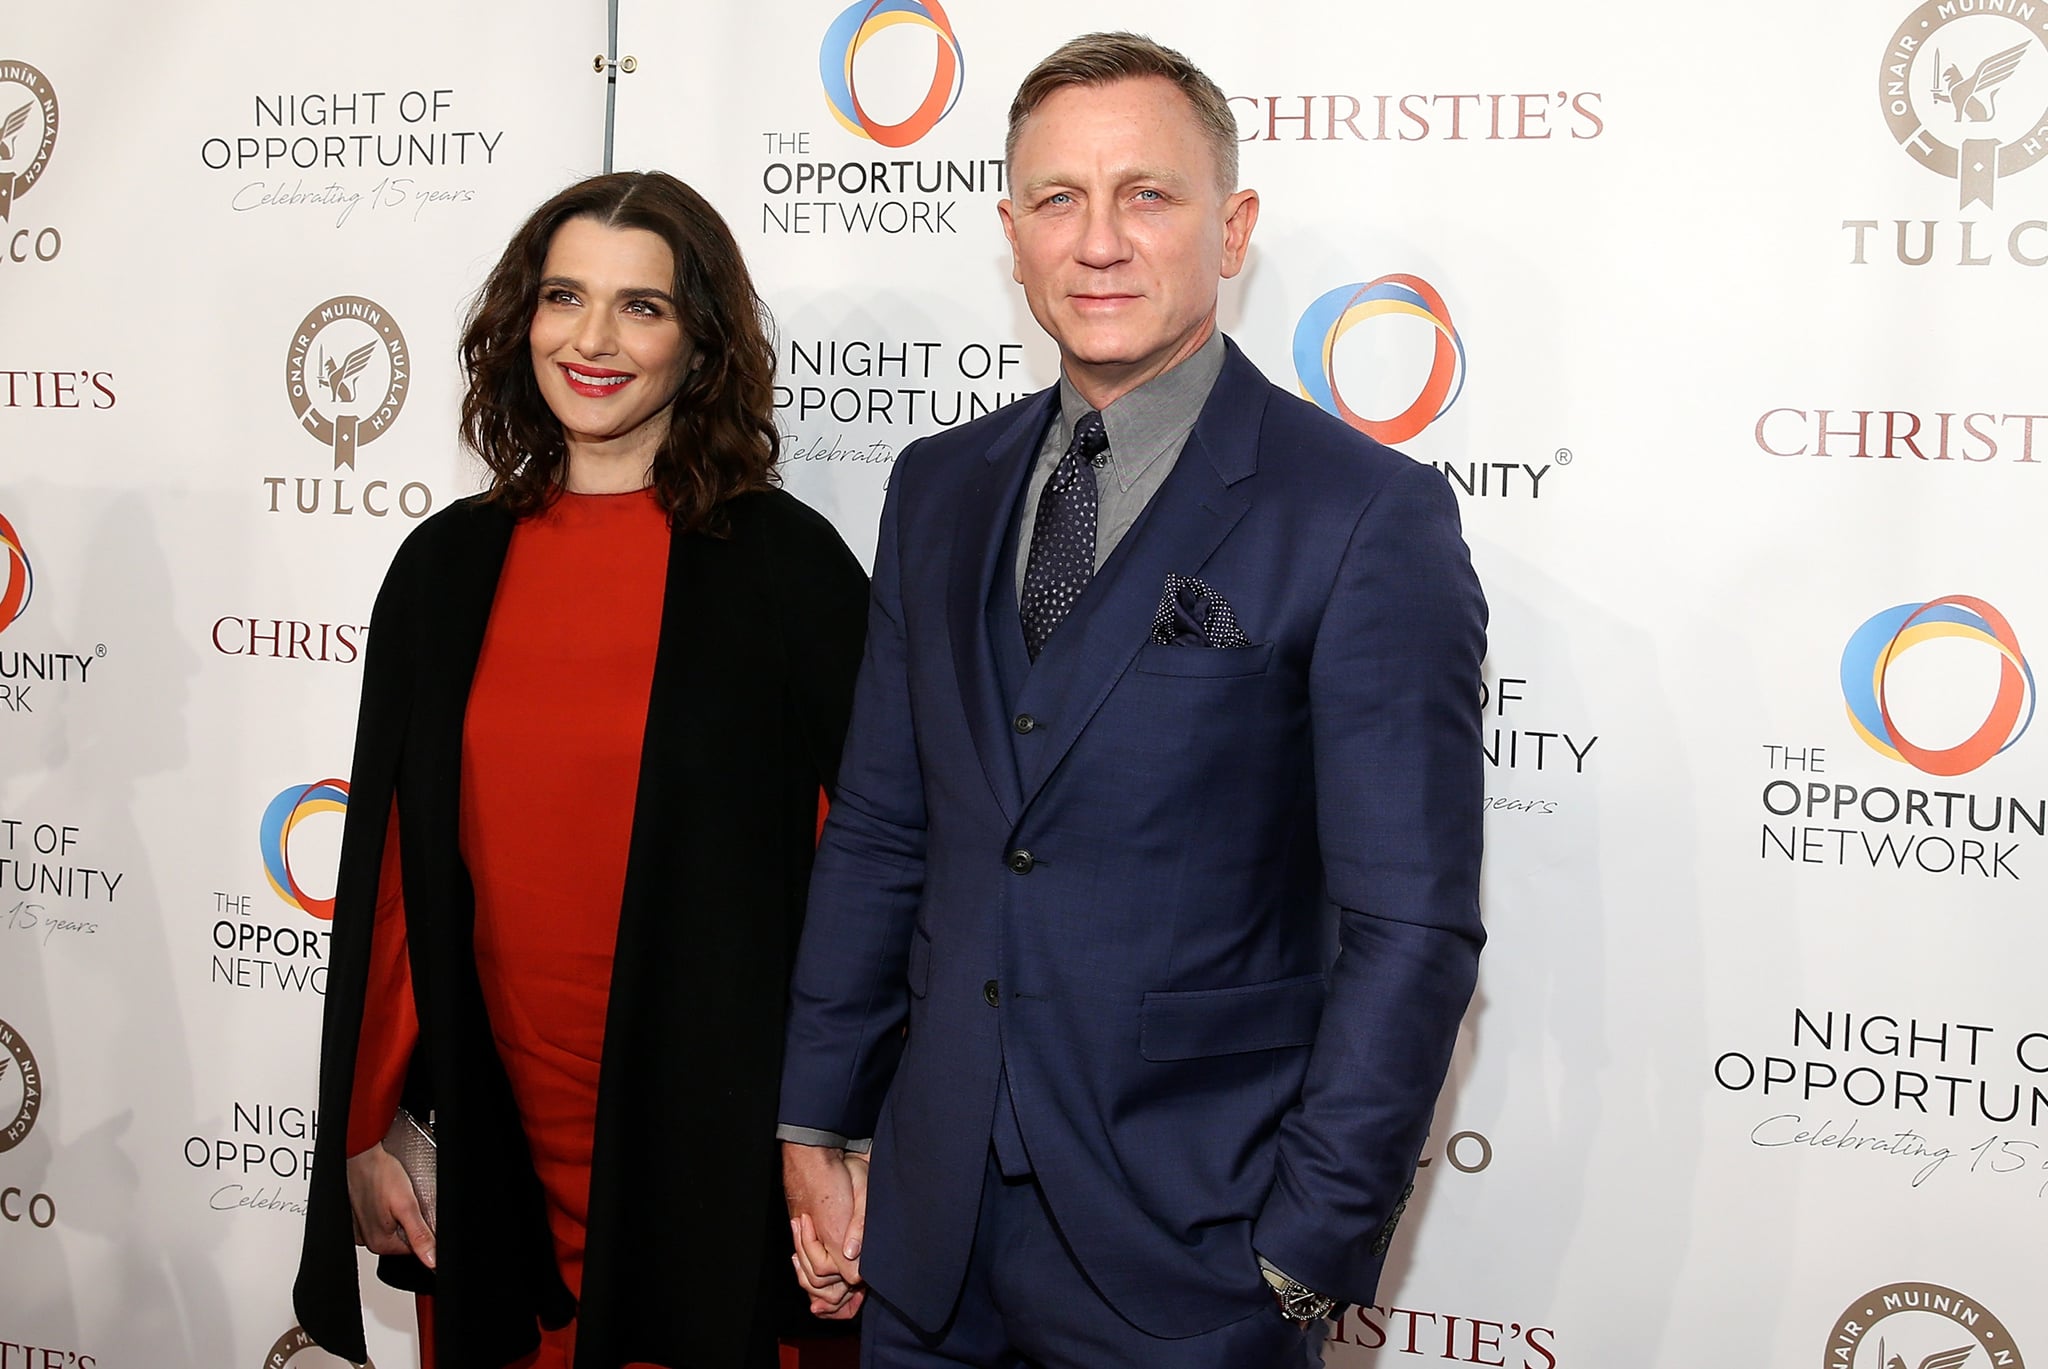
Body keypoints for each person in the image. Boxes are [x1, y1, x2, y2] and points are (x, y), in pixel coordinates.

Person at [777, 32, 1488, 1369]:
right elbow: (881, 828)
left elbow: (1414, 925)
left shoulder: (1361, 515)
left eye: (1146, 195)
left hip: (1196, 1254)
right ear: (1012, 233)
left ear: (1233, 227)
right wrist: (819, 1120)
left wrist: (1302, 1247)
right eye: (1058, 199)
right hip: (926, 1245)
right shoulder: (937, 487)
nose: (1099, 241)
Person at [293, 171, 869, 1369]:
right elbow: (392, 873)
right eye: (565, 296)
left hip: (718, 1150)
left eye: (642, 307)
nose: (593, 339)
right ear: (523, 320)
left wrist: (840, 1134)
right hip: (491, 1149)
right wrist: (367, 1123)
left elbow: (870, 875)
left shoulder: (785, 569)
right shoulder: (444, 568)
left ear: (701, 344)